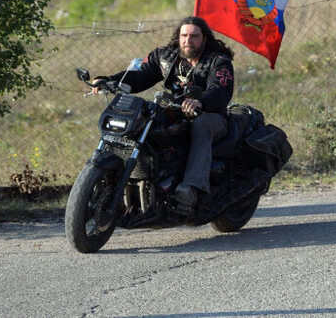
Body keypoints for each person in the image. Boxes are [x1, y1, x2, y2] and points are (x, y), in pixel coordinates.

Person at [93, 16, 235, 212]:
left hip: (211, 114)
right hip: (176, 110)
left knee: (201, 126)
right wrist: (108, 80)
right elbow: (141, 76)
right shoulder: (165, 57)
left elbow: (219, 90)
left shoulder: (218, 62)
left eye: (194, 36)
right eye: (184, 35)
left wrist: (200, 102)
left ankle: (191, 188)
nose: (188, 40)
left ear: (204, 38)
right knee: (144, 122)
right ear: (178, 36)